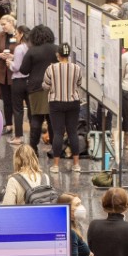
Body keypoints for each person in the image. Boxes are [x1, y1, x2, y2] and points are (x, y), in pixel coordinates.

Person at [42, 42, 84, 173]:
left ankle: (55, 165)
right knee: (72, 132)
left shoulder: (51, 68)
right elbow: (79, 83)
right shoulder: (76, 68)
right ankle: (76, 164)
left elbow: (46, 85)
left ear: (58, 54)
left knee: (58, 133)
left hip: (56, 103)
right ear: (69, 54)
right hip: (73, 102)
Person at [1, 23, 31, 144]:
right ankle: (33, 135)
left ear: (21, 34)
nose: (16, 36)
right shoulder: (30, 47)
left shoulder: (19, 48)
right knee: (31, 109)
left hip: (18, 81)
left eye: (17, 34)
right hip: (30, 81)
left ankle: (18, 136)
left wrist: (10, 64)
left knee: (18, 109)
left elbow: (17, 67)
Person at [0, 14, 18, 134]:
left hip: (14, 72)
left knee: (16, 100)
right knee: (6, 100)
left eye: (4, 24)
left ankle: (17, 125)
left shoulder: (18, 36)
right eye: (1, 25)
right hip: (3, 73)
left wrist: (14, 57)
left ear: (11, 23)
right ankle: (8, 124)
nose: (2, 27)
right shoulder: (0, 36)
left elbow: (24, 52)